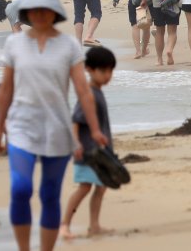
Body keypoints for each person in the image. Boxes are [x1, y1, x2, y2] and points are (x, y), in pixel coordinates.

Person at [0, 0, 108, 251]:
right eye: (35, 9)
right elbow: (6, 89)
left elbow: (83, 90)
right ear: (27, 12)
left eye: (46, 9)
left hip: (57, 129)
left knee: (49, 194)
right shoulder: (14, 44)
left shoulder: (69, 46)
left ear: (54, 11)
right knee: (20, 190)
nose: (40, 14)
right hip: (21, 127)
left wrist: (94, 129)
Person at [60, 47, 117, 240]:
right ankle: (65, 225)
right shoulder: (89, 94)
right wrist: (75, 144)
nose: (108, 75)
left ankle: (94, 226)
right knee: (84, 187)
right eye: (103, 71)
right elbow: (76, 121)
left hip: (101, 152)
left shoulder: (97, 92)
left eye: (110, 71)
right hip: (87, 152)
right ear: (89, 70)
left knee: (100, 187)